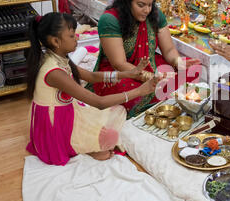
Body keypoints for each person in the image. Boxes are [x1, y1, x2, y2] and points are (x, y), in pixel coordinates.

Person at [26, 12, 165, 166]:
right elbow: (99, 102)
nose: (77, 38)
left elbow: (91, 77)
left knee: (118, 113)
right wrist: (140, 91)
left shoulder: (58, 58)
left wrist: (128, 73)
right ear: (55, 41)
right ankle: (87, 147)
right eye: (72, 36)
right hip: (56, 126)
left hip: (68, 112)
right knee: (109, 137)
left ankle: (91, 144)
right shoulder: (55, 72)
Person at [90, 0, 201, 118]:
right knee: (133, 94)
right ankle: (161, 100)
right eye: (140, 5)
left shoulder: (154, 14)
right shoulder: (110, 20)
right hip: (121, 72)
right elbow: (119, 63)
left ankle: (166, 96)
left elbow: (169, 50)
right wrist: (150, 77)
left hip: (149, 62)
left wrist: (177, 62)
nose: (146, 10)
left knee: (191, 68)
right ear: (127, 2)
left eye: (150, 4)